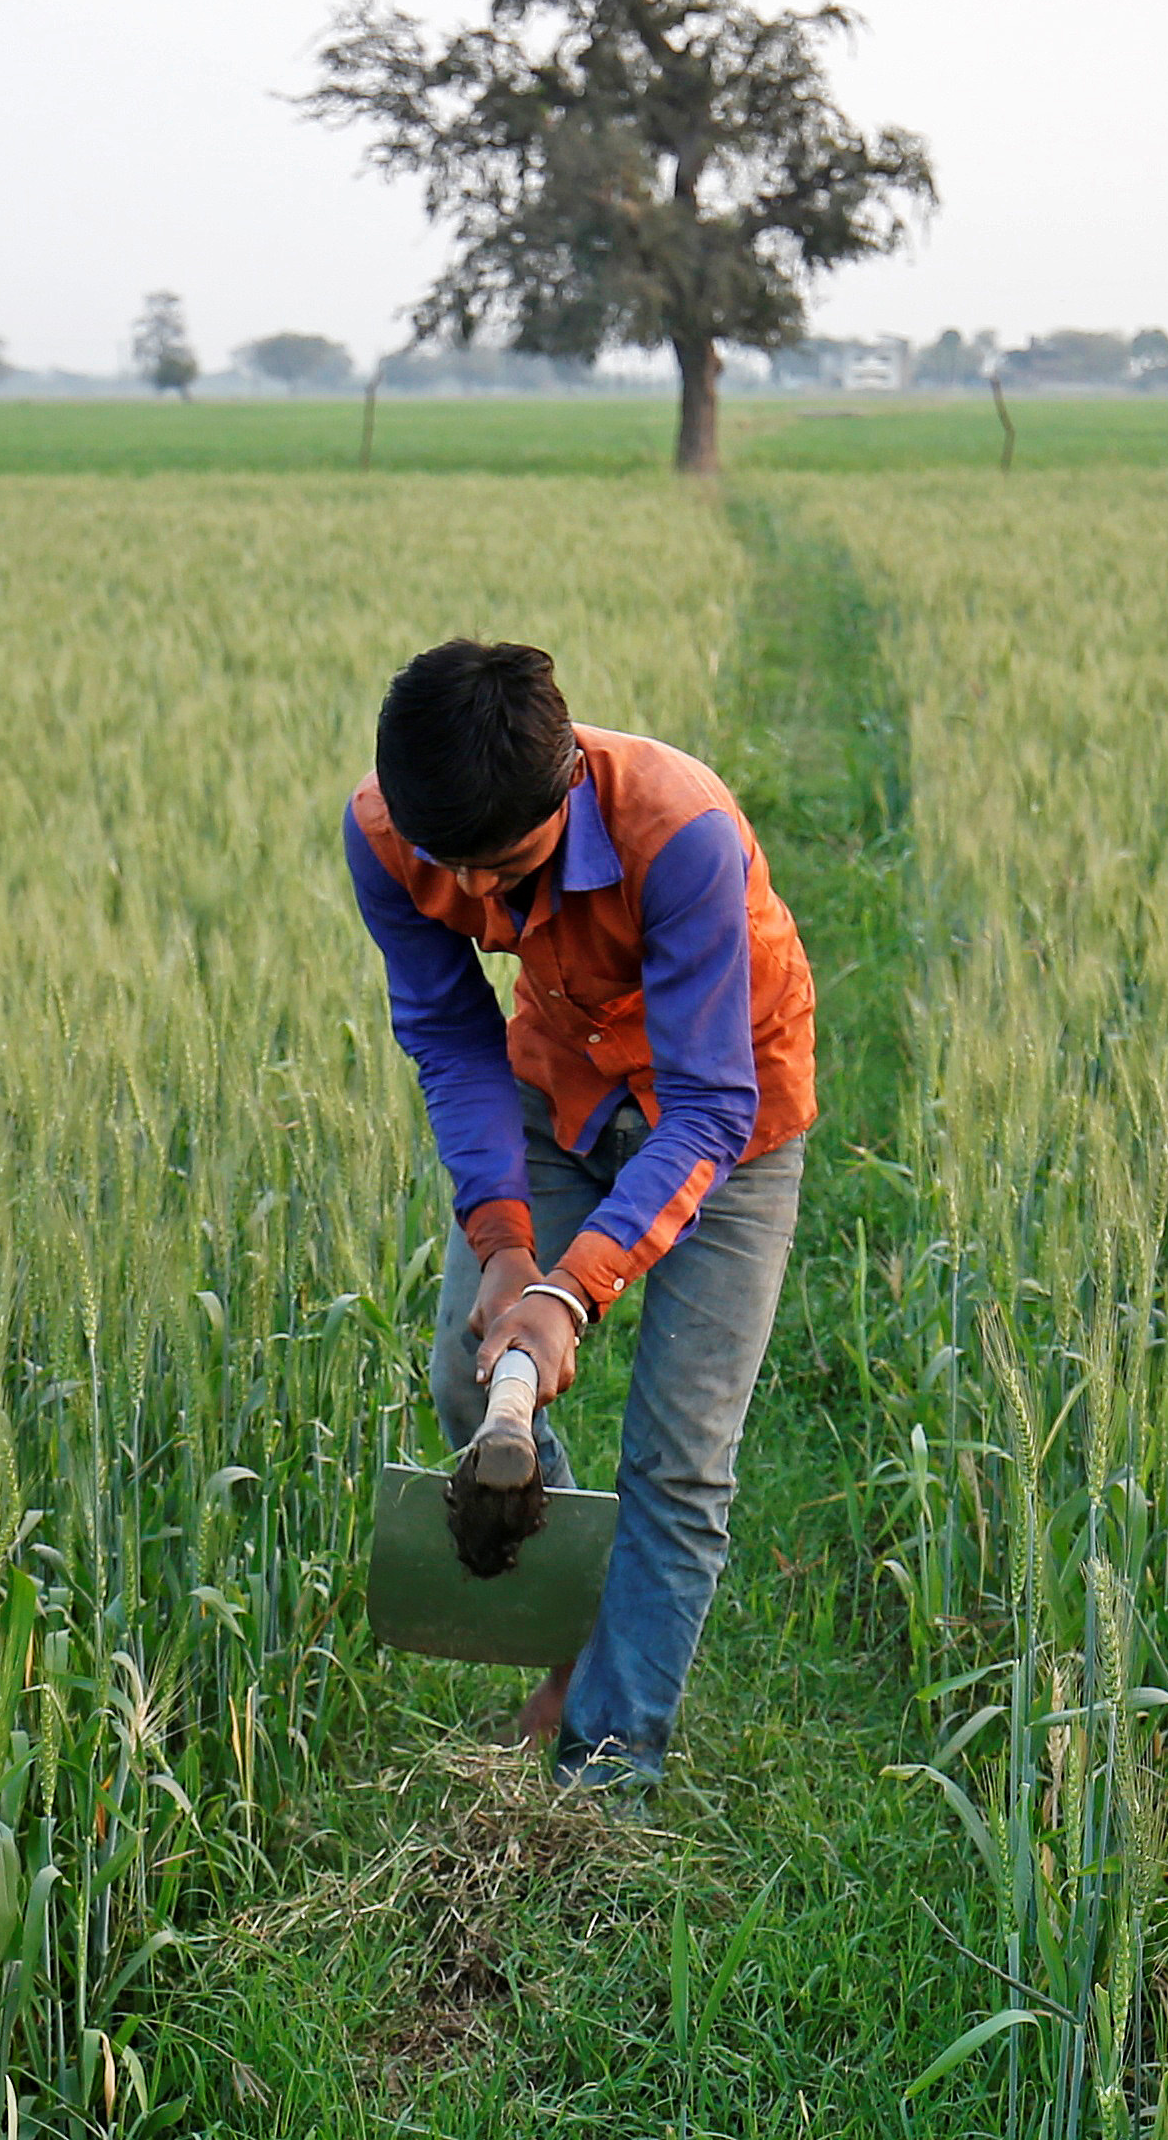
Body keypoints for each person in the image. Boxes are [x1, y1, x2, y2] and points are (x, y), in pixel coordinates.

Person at [345, 637, 816, 1792]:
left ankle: (606, 1775)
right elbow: (452, 1038)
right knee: (470, 1376)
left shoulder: (681, 833)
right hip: (558, 1088)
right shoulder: (379, 838)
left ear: (564, 786)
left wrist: (569, 1289)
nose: (473, 897)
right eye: (446, 866)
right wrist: (508, 1248)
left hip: (730, 1118)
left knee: (678, 1459)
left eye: (504, 867)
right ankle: (570, 1646)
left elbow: (708, 1105)